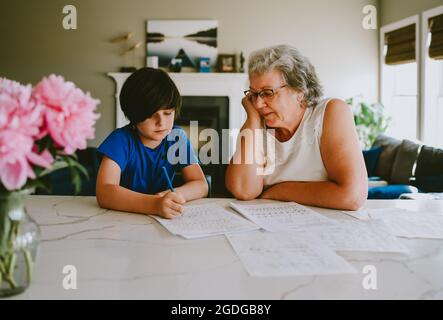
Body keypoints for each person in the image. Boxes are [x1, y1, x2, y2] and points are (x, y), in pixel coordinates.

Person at [225, 45, 367, 210]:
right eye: (253, 94)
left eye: (267, 92)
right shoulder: (257, 126)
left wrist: (279, 191)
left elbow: (352, 196)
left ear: (300, 90)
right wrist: (252, 120)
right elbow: (243, 190)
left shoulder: (330, 112)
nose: (257, 103)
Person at [96, 67, 208, 219]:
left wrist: (170, 196)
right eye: (151, 115)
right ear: (134, 115)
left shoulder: (176, 138)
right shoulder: (120, 140)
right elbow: (104, 192)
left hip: (162, 218)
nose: (161, 122)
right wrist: (154, 204)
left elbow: (201, 184)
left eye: (168, 113)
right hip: (122, 219)